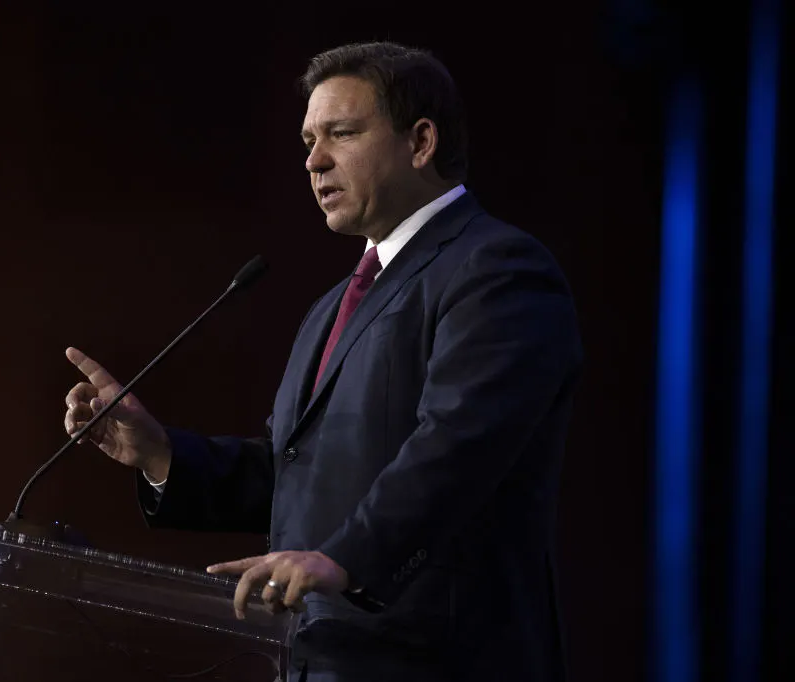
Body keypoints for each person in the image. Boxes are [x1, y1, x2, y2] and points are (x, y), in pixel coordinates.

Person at [63, 41, 582, 682]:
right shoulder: (335, 304)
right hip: (326, 659)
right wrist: (160, 455)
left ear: (421, 142)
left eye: (342, 133)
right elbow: (298, 472)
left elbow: (459, 448)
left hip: (439, 659)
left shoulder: (496, 269)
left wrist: (344, 559)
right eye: (309, 140)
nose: (314, 161)